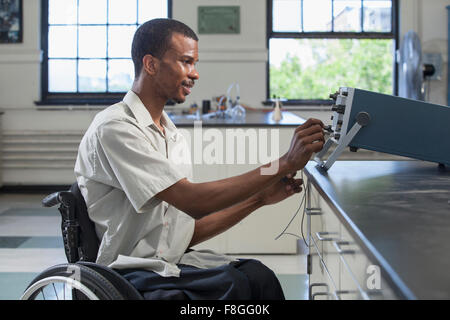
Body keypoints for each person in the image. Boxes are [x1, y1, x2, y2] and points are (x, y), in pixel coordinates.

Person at [74, 18, 325, 300]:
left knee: (258, 276)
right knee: (233, 288)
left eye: (194, 63)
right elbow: (194, 202)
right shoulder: (116, 127)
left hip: (164, 265)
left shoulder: (170, 133)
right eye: (185, 62)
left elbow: (182, 234)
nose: (195, 74)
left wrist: (260, 199)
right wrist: (285, 163)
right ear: (151, 64)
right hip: (127, 273)